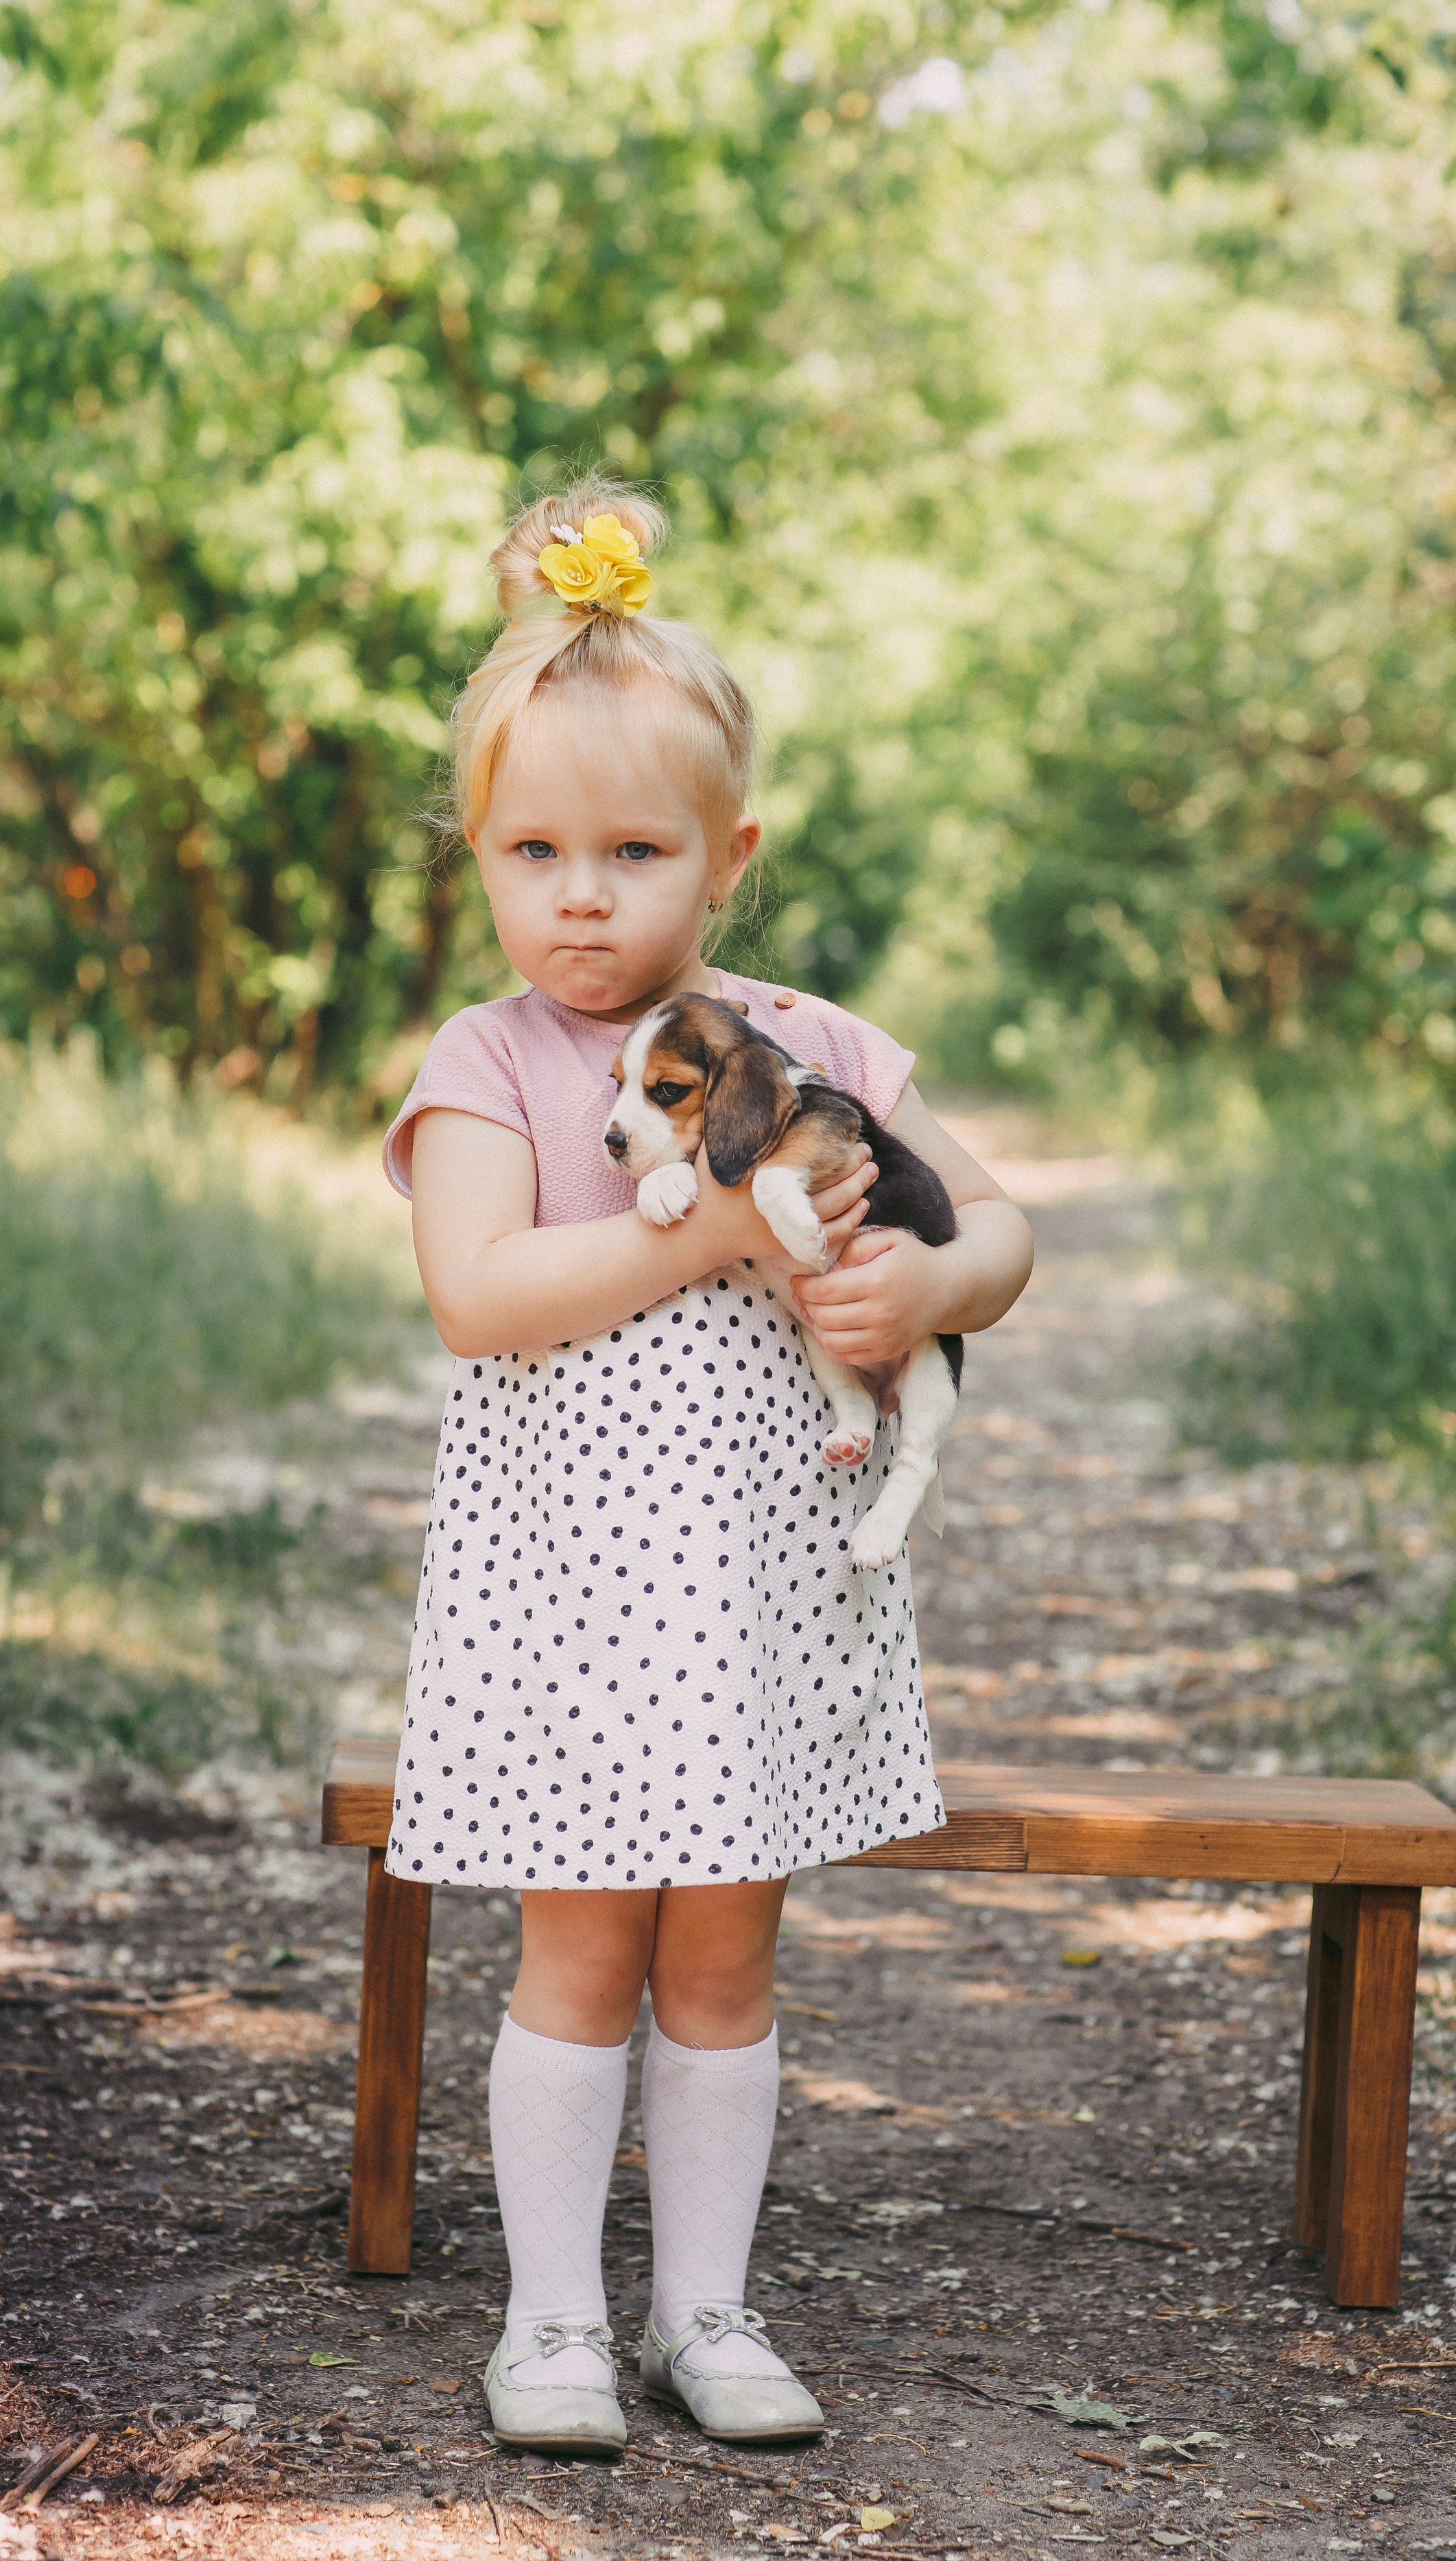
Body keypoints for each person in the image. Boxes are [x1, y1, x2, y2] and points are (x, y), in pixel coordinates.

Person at [380, 477, 1034, 2457]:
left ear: (726, 856)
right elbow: (484, 1296)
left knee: (727, 1943)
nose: (583, 896)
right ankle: (557, 2324)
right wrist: (732, 1216)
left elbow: (1003, 1234)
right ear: (480, 858)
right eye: (536, 850)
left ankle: (712, 2310)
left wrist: (927, 1280)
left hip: (757, 1596)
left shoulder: (812, 1039)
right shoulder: (485, 1067)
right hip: (569, 1602)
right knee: (579, 1936)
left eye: (636, 850)